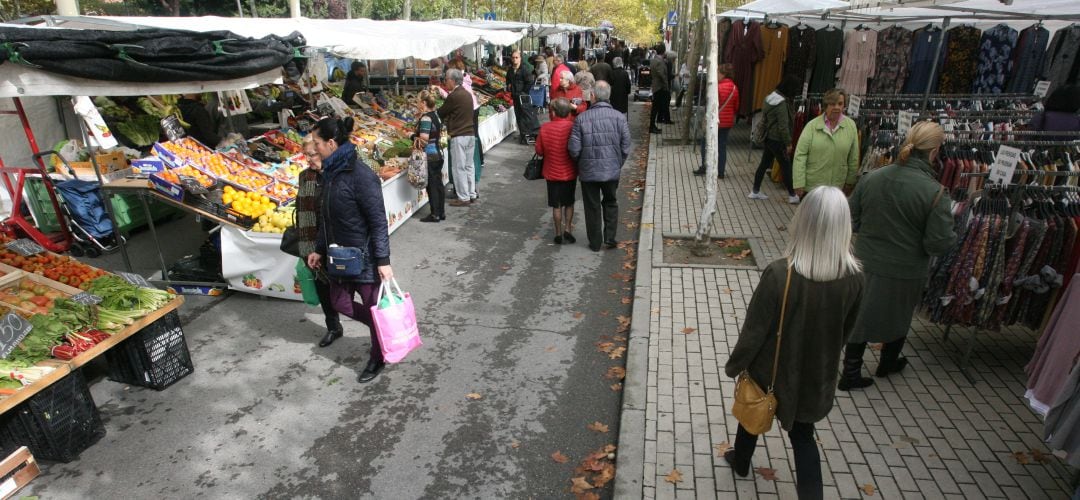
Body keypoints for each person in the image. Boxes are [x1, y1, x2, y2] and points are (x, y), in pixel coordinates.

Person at [723, 186, 864, 499]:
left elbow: (755, 329)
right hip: (816, 374)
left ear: (804, 221)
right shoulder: (855, 278)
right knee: (803, 436)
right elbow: (847, 330)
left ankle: (742, 461)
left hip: (771, 369)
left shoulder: (779, 274)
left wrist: (736, 364)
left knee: (753, 411)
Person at [841, 122, 957, 390]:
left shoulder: (872, 178)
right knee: (899, 316)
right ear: (934, 151)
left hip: (865, 262)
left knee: (860, 314)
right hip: (906, 269)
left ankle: (851, 371)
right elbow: (937, 243)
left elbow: (851, 220)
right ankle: (887, 363)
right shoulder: (935, 192)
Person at [307, 117, 394, 384]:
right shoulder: (330, 173)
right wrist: (320, 248)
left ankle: (377, 358)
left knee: (371, 308)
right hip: (339, 258)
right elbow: (327, 217)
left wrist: (383, 260)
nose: (314, 148)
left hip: (365, 260)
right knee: (339, 303)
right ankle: (379, 326)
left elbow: (378, 221)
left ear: (331, 143)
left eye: (317, 143)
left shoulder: (362, 175)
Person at [569, 82, 632, 252]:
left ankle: (595, 242)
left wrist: (581, 163)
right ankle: (610, 238)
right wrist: (618, 163)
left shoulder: (581, 119)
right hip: (611, 170)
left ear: (593, 96)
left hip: (588, 171)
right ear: (608, 96)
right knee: (611, 202)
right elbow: (626, 146)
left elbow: (574, 148)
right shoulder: (619, 117)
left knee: (592, 206)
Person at [297, 135, 342, 348]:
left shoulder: (336, 174)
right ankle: (333, 326)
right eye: (306, 155)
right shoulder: (304, 177)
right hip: (312, 243)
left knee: (345, 286)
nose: (309, 159)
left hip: (336, 242)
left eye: (313, 154)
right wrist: (307, 248)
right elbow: (303, 212)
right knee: (322, 286)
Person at [792, 88, 859, 196]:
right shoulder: (812, 126)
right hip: (812, 187)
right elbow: (800, 155)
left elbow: (853, 158)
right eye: (832, 103)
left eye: (840, 103)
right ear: (826, 105)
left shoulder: (851, 126)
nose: (836, 107)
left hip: (837, 188)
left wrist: (850, 182)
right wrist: (799, 182)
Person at [749, 76, 802, 203]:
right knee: (786, 166)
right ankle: (792, 195)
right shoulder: (782, 104)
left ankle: (755, 191)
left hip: (769, 137)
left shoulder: (769, 98)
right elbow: (783, 126)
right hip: (778, 140)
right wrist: (788, 143)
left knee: (764, 164)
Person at [535, 98, 579, 245]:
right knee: (569, 202)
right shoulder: (573, 127)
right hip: (569, 172)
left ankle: (558, 233)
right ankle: (568, 229)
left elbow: (539, 151)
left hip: (552, 172)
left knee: (556, 205)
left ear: (553, 112)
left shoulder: (545, 128)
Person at [436, 68, 477, 207]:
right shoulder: (466, 93)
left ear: (452, 81)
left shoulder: (454, 96)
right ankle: (471, 194)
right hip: (470, 134)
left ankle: (463, 197)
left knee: (459, 168)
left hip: (459, 135)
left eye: (446, 80)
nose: (445, 82)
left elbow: (441, 112)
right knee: (469, 166)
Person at [694, 63, 739, 179]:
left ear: (724, 74)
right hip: (727, 122)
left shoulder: (716, 87)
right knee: (722, 146)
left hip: (714, 120)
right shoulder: (734, 88)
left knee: (706, 143)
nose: (716, 75)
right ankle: (721, 172)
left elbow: (711, 105)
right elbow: (736, 106)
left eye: (718, 72)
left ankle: (705, 166)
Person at [413, 91, 445, 223]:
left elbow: (424, 139)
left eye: (418, 102)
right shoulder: (435, 115)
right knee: (438, 184)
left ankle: (434, 214)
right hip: (438, 153)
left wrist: (412, 136)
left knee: (431, 185)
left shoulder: (426, 118)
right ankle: (441, 212)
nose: (417, 104)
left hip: (430, 155)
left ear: (424, 103)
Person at [508, 50, 540, 144]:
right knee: (518, 115)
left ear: (520, 58)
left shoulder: (524, 69)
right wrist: (509, 85)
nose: (514, 59)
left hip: (523, 96)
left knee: (527, 115)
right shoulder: (510, 70)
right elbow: (508, 80)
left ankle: (532, 133)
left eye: (516, 57)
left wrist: (523, 92)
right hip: (515, 96)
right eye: (513, 57)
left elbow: (530, 82)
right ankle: (523, 134)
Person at [649, 45, 670, 134]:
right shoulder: (660, 62)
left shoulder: (654, 60)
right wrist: (666, 85)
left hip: (656, 86)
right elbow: (662, 75)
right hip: (659, 87)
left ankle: (653, 126)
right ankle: (652, 126)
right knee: (656, 107)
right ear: (663, 51)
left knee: (655, 107)